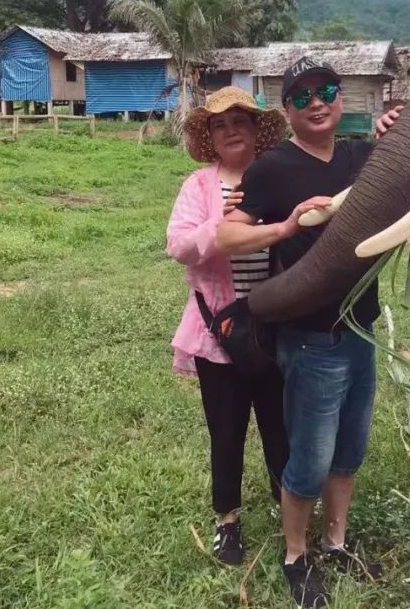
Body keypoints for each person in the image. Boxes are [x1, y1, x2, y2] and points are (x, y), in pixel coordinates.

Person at [215, 57, 402, 608]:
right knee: (311, 458)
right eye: (301, 97)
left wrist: (396, 127)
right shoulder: (272, 168)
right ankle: (296, 555)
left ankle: (336, 543)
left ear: (341, 98)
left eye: (326, 91)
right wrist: (288, 226)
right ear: (286, 109)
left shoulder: (360, 156)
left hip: (360, 328)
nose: (317, 103)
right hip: (308, 338)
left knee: (350, 450)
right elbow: (227, 235)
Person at [165, 86, 292, 566]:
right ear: (211, 138)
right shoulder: (199, 187)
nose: (231, 129)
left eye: (240, 120)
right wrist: (224, 222)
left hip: (274, 328)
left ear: (256, 130)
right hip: (219, 334)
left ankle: (290, 513)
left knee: (281, 428)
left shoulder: (274, 178)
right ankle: (228, 522)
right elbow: (178, 245)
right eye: (220, 124)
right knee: (226, 431)